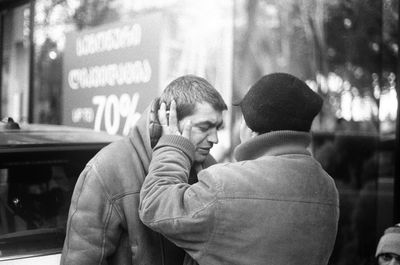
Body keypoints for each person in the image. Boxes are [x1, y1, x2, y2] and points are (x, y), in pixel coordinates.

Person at [139, 72, 340, 265]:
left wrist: (174, 145)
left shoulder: (226, 185)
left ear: (250, 130)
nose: (214, 138)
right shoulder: (328, 187)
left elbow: (155, 203)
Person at [60, 75, 227, 265]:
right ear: (168, 120)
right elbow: (82, 258)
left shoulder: (210, 167)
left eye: (217, 128)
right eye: (204, 127)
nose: (214, 138)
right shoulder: (106, 169)